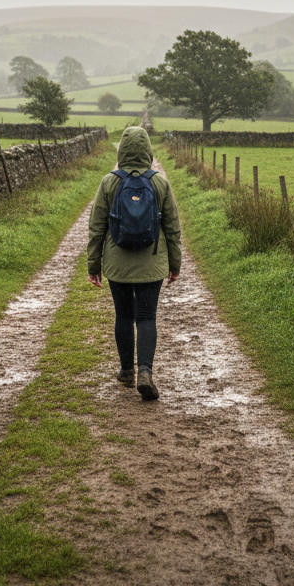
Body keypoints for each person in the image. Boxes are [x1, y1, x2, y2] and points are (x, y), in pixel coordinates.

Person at [87, 125, 181, 401]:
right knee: (147, 317)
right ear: (149, 151)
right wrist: (175, 263)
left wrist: (94, 266)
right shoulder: (160, 182)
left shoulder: (109, 182)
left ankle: (126, 371)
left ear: (122, 150)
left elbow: (96, 228)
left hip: (117, 263)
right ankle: (145, 372)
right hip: (152, 263)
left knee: (124, 316)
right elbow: (173, 228)